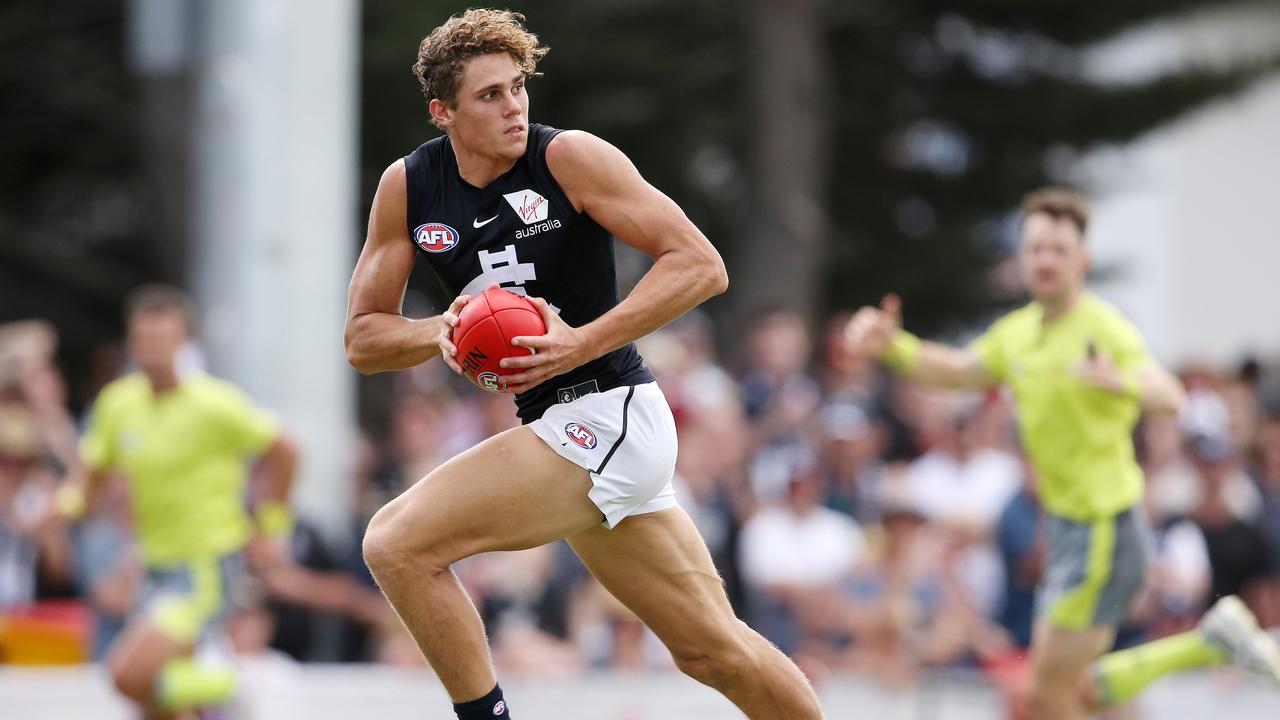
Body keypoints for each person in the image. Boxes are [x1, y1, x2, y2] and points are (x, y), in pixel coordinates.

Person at [344, 9, 824, 720]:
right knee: (713, 652)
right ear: (442, 111)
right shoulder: (409, 187)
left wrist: (581, 341)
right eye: (489, 95)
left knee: (395, 544)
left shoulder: (568, 158)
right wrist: (438, 331)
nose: (514, 106)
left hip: (610, 409)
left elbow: (700, 266)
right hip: (567, 428)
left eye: (518, 87)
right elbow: (362, 339)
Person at [843, 188, 1280, 719]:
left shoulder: (1103, 328)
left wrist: (1119, 379)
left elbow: (1169, 396)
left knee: (1043, 692)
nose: (1046, 260)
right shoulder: (1019, 334)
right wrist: (893, 346)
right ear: (1023, 259)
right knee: (1071, 691)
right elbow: (957, 370)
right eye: (1036, 249)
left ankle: (1209, 641)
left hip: (1103, 529)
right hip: (1072, 531)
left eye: (1058, 249)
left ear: (1082, 261)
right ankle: (1209, 642)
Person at [52, 284, 299, 720]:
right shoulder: (118, 404)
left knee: (128, 676)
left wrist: (271, 528)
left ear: (185, 343)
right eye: (143, 341)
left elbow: (286, 452)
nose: (152, 352)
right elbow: (92, 474)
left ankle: (230, 685)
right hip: (152, 567)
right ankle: (208, 695)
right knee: (154, 705)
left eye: (163, 341)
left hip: (204, 568)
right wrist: (65, 506)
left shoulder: (214, 403)